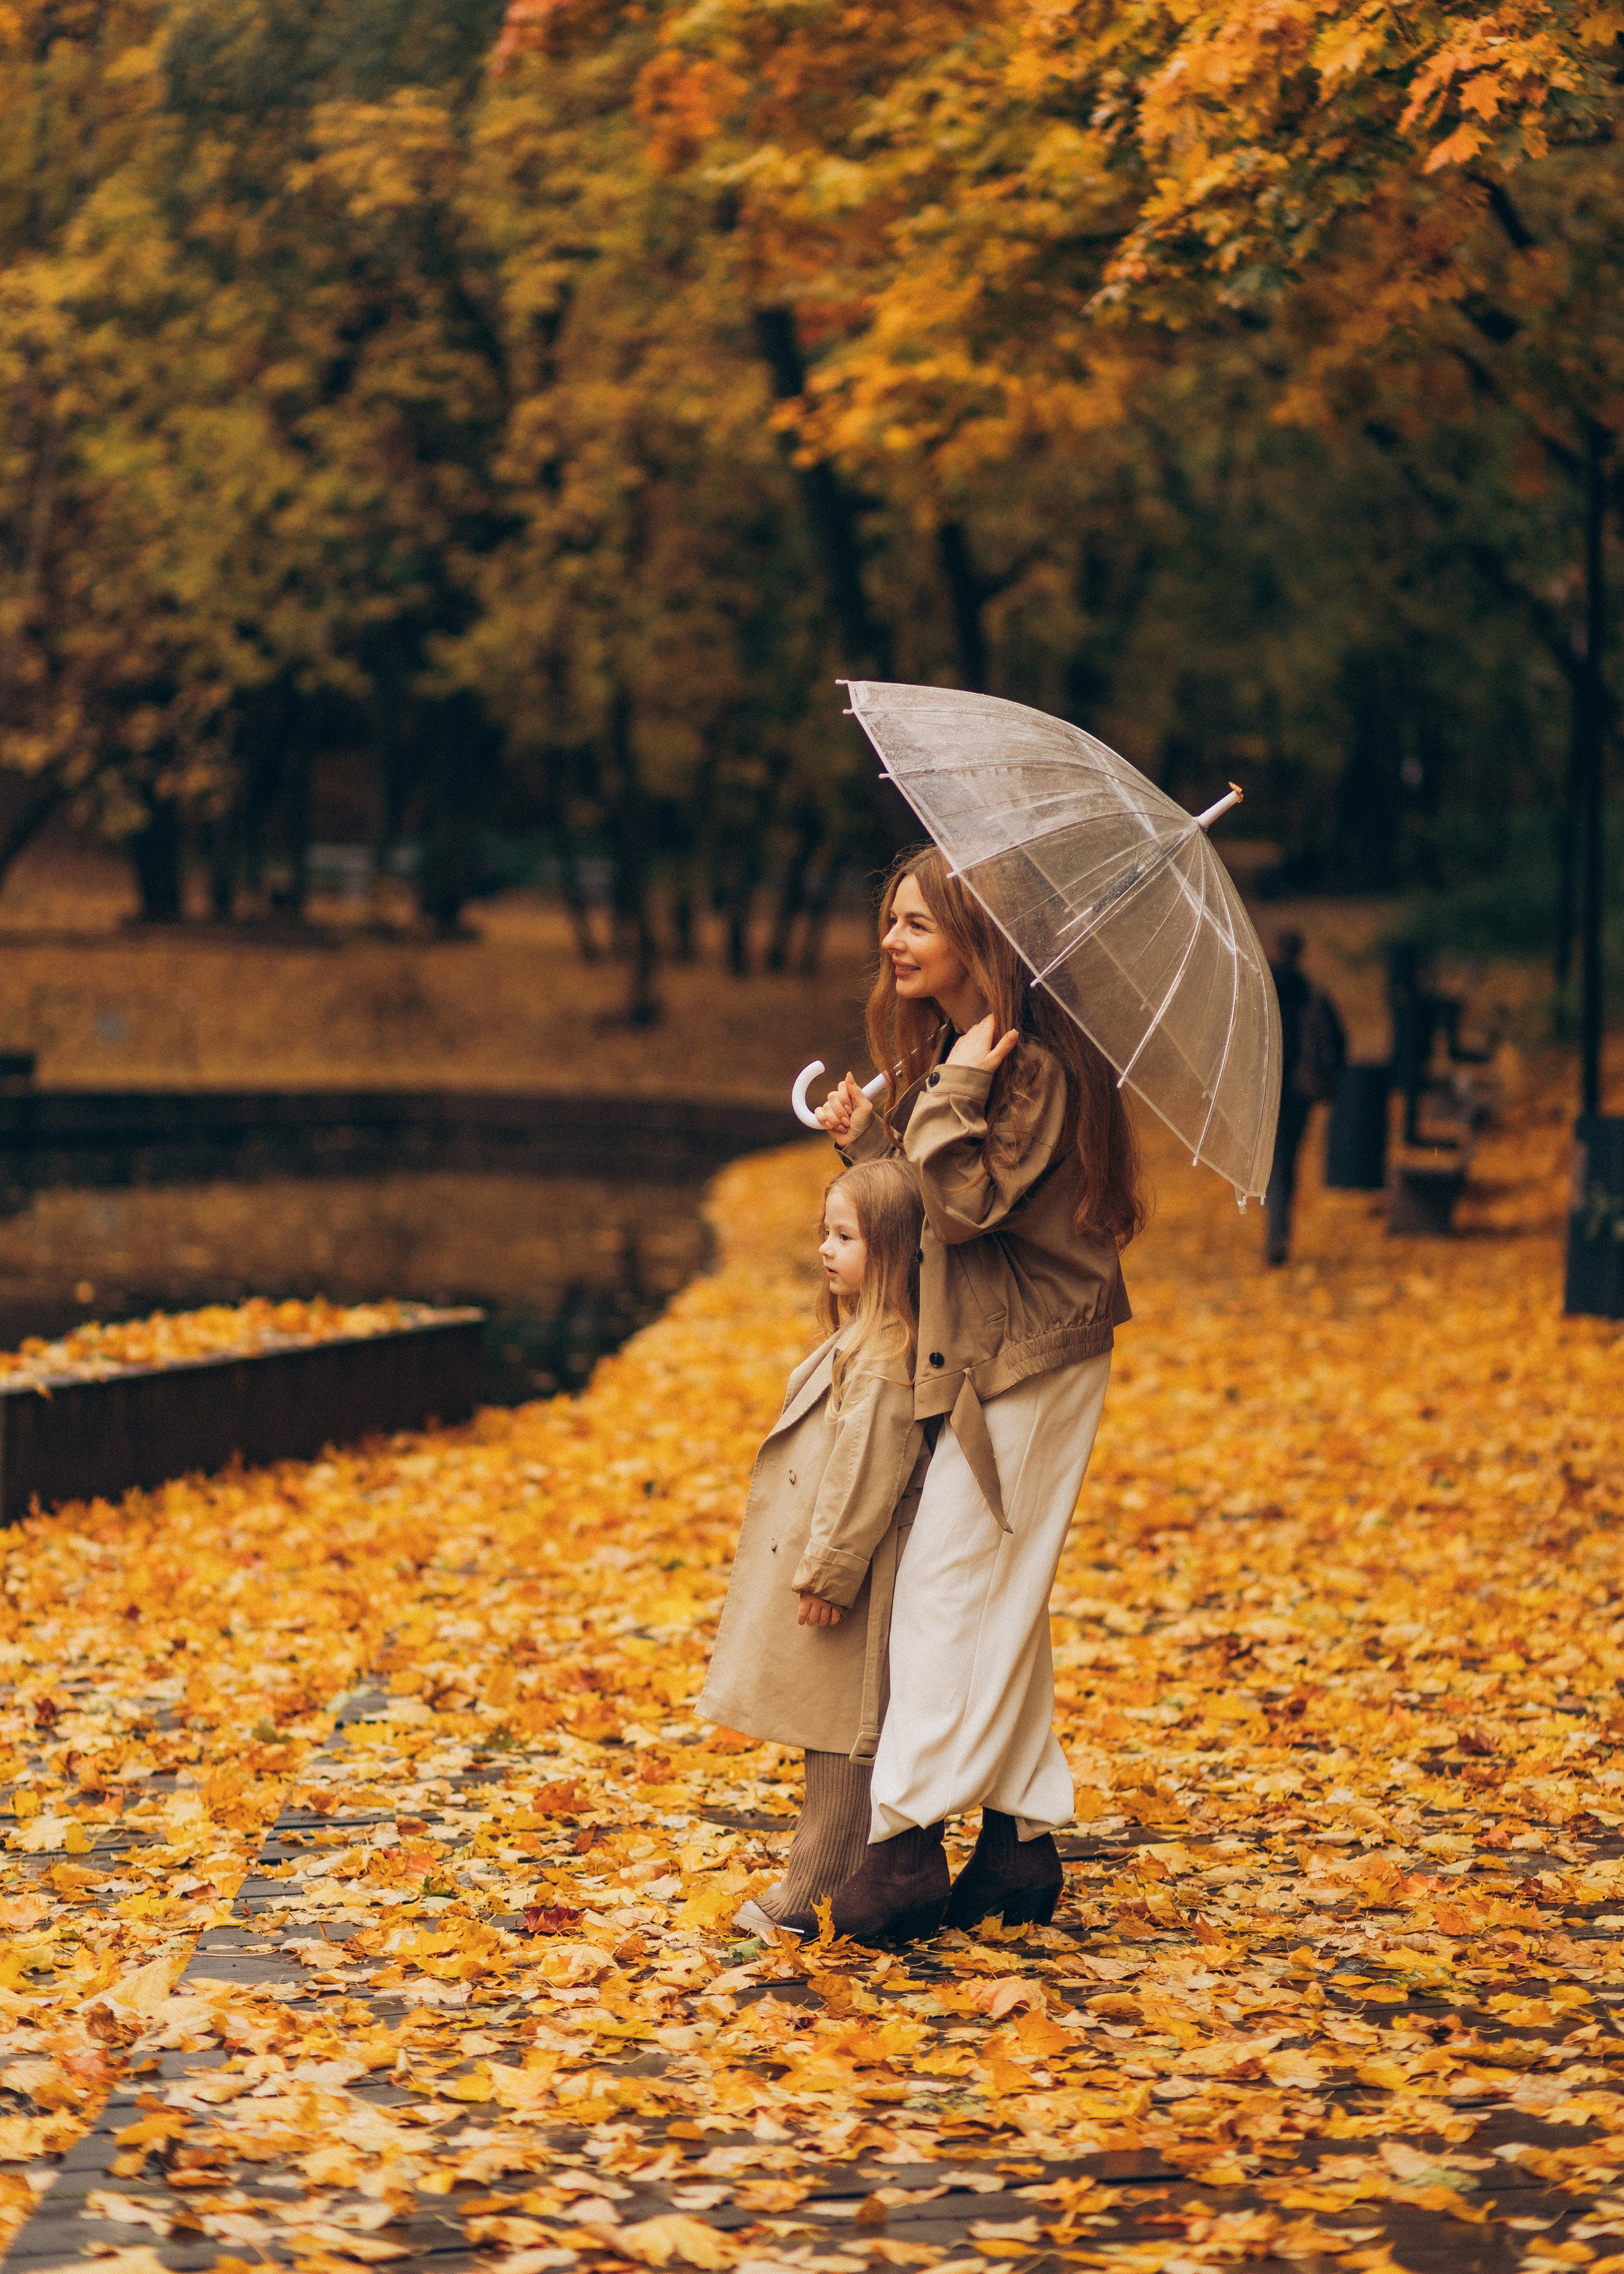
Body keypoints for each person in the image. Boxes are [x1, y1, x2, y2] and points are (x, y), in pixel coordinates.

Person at [815, 844, 1143, 1943]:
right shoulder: (962, 1045)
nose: (893, 939)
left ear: (976, 934)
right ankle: (1017, 1846)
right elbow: (929, 1190)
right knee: (997, 1590)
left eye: (917, 922)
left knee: (947, 1586)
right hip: (988, 1350)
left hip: (1038, 1354)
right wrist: (872, 1134)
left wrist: (949, 1091)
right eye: (892, 919)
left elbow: (963, 1209)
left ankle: (904, 1846)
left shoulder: (1031, 1060)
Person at [697, 1160, 933, 1938]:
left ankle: (815, 1886)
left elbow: (865, 1473)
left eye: (845, 1236)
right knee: (824, 1723)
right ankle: (827, 1872)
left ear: (894, 1249)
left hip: (854, 1577)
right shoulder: (863, 1338)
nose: (826, 1251)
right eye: (823, 1234)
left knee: (843, 1727)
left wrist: (830, 1570)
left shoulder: (886, 1351)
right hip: (832, 1566)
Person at [1265, 929, 1346, 1266]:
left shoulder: (1261, 993)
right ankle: (1281, 1231)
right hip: (1301, 1089)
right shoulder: (1312, 992)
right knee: (1288, 1160)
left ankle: (1275, 1231)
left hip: (1269, 1090)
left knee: (1273, 1163)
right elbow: (1339, 1043)